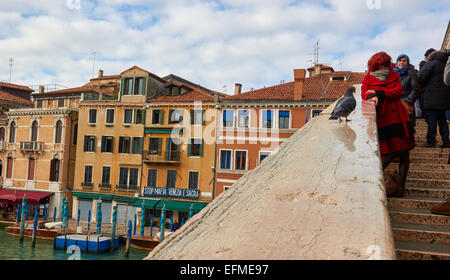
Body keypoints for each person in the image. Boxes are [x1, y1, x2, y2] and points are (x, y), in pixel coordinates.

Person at [361, 51, 415, 197]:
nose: (385, 67)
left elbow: (398, 91)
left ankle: (401, 186)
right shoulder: (368, 78)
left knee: (404, 151)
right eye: (381, 65)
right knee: (391, 151)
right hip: (383, 119)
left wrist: (379, 93)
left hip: (399, 117)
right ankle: (372, 176)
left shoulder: (393, 75)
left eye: (386, 64)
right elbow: (364, 93)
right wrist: (373, 95)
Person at [418, 49, 450, 148]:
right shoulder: (446, 64)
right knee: (442, 120)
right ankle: (446, 142)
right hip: (444, 99)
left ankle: (431, 142)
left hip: (430, 97)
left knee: (432, 120)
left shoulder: (431, 63)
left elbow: (421, 78)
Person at [394, 54, 419, 131]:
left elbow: (415, 88)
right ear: (397, 62)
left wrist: (408, 100)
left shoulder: (411, 73)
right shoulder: (393, 73)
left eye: (404, 61)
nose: (401, 62)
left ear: (407, 63)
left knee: (408, 127)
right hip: (395, 103)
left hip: (407, 103)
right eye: (400, 61)